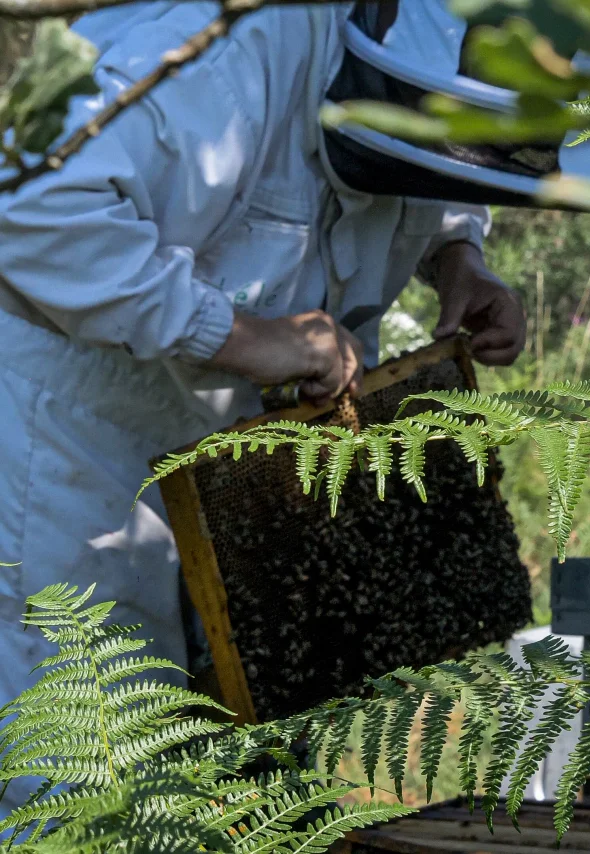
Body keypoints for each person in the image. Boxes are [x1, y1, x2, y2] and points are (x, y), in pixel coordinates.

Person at [0, 0, 526, 811]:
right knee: (79, 783)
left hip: (227, 463)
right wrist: (242, 335)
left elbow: (430, 162)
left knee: (224, 780)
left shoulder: (414, 65)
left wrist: (459, 255)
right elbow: (25, 203)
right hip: (72, 453)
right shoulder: (212, 44)